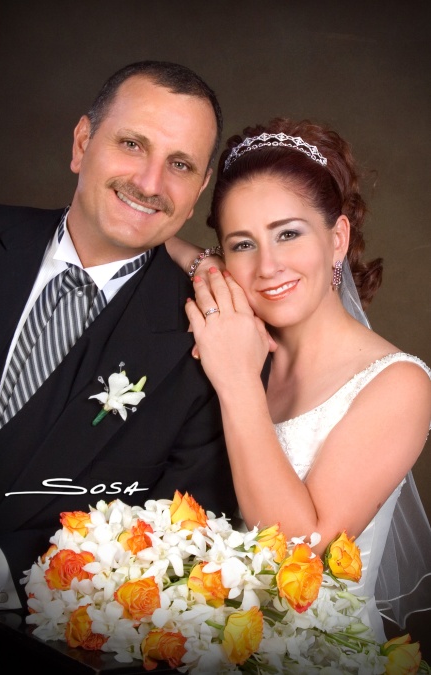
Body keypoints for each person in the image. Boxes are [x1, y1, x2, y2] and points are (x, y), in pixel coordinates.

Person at [0, 61, 238, 617]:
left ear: (197, 192)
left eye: (179, 164)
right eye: (131, 144)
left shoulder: (208, 345)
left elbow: (173, 526)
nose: (149, 183)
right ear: (82, 143)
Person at [168, 117, 431, 643]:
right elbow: (172, 246)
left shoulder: (399, 384)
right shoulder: (242, 328)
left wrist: (237, 378)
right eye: (242, 244)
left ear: (337, 239)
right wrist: (202, 264)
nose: (268, 266)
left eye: (288, 234)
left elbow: (299, 553)